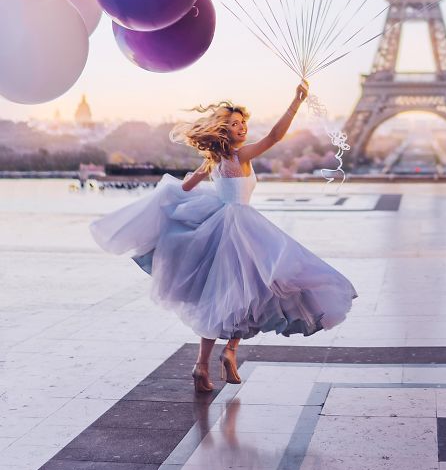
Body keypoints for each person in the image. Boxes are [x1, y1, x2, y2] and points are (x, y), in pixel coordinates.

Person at [89, 82, 357, 393]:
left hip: (220, 226)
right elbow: (274, 136)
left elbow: (186, 189)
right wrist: (295, 102)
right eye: (234, 124)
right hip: (244, 228)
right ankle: (230, 350)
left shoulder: (213, 160)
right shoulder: (241, 155)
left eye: (243, 123)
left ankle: (201, 366)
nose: (242, 128)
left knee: (220, 299)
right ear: (224, 131)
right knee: (253, 290)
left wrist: (188, 187)